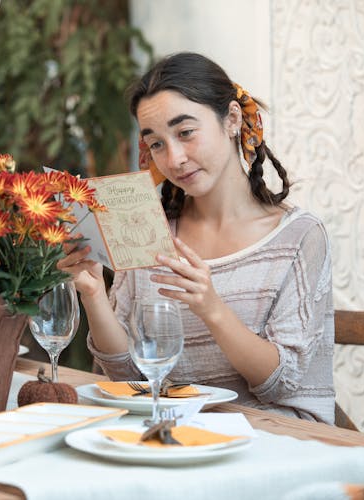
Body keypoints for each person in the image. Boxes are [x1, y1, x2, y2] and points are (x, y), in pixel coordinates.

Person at [58, 52, 335, 424]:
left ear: (232, 119)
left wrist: (211, 307)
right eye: (156, 143)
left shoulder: (299, 237)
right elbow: (128, 378)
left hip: (276, 441)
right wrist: (92, 295)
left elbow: (280, 384)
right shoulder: (149, 232)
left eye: (186, 133)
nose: (173, 159)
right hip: (178, 434)